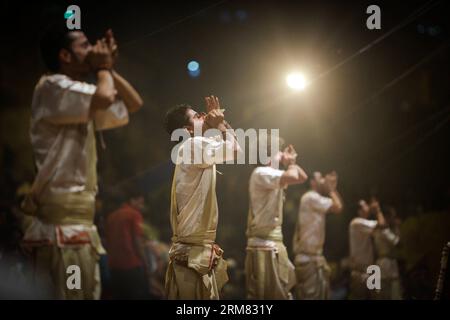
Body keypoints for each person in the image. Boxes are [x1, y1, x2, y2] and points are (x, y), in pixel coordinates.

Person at [21, 23, 143, 299]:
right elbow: (104, 95)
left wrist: (107, 67)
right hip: (61, 225)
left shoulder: (79, 95)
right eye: (84, 45)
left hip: (81, 224)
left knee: (83, 295)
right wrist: (102, 68)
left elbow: (133, 103)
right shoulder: (51, 86)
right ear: (64, 56)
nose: (91, 50)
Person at [163, 96, 240, 299]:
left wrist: (219, 122)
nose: (204, 116)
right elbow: (233, 150)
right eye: (197, 116)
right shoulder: (192, 145)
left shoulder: (197, 144)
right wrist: (219, 124)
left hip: (195, 250)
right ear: (188, 129)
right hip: (192, 253)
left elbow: (233, 146)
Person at [245, 143, 308, 299]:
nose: (280, 154)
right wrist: (291, 163)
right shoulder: (261, 172)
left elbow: (302, 177)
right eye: (277, 151)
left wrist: (290, 162)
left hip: (271, 243)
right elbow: (294, 176)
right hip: (264, 245)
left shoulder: (271, 174)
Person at [292, 171, 343, 299]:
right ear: (312, 182)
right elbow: (338, 207)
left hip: (312, 258)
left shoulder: (314, 198)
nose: (323, 180)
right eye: (320, 178)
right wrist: (331, 189)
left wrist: (331, 188)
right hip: (308, 259)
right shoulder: (311, 197)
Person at [105, 189, 151, 299]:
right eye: (140, 202)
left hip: (113, 267)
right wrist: (145, 263)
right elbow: (137, 241)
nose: (141, 206)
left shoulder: (111, 216)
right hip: (131, 265)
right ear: (132, 200)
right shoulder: (134, 214)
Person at [348, 198, 386, 299]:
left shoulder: (363, 225)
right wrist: (377, 210)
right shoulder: (356, 222)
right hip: (360, 271)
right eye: (365, 205)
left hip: (371, 269)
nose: (368, 207)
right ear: (359, 211)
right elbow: (382, 224)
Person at [373, 206, 402, 299]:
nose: (393, 219)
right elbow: (397, 242)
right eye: (392, 216)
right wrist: (397, 227)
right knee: (392, 294)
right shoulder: (384, 230)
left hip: (383, 264)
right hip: (387, 264)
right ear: (387, 217)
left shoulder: (379, 229)